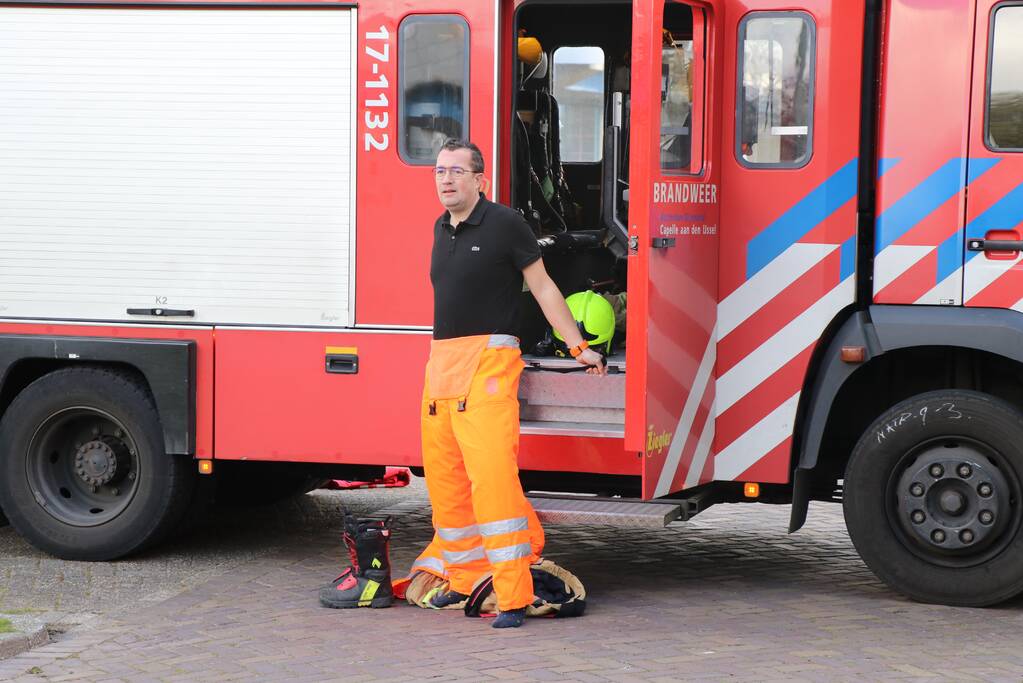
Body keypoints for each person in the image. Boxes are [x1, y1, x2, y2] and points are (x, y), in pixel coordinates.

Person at [418, 138, 605, 629]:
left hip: (488, 367)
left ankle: (514, 596)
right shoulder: (442, 228)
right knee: (448, 485)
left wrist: (578, 346)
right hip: (441, 368)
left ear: (480, 179)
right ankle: (463, 582)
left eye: (457, 171)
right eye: (440, 171)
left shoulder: (505, 224)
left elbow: (543, 288)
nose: (446, 179)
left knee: (493, 481)